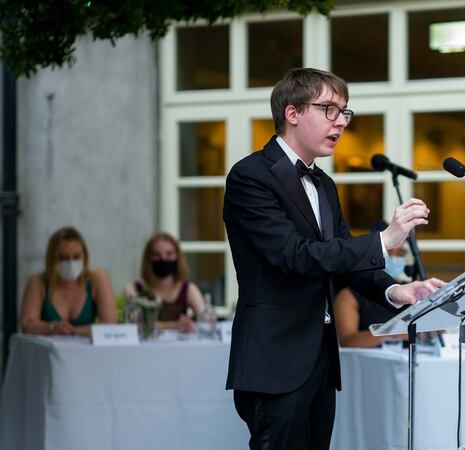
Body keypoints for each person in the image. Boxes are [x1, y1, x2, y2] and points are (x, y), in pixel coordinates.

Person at [223, 67, 444, 450]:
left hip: (320, 361)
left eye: (344, 112)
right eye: (329, 109)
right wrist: (384, 239)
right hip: (274, 360)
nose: (340, 122)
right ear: (292, 113)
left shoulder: (324, 183)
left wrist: (398, 291)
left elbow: (342, 257)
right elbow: (293, 256)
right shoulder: (250, 176)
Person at [20, 227, 116, 336]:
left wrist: (74, 331)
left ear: (85, 256)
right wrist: (51, 327)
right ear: (52, 259)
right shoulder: (38, 281)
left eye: (76, 257)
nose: (70, 263)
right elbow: (27, 324)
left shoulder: (97, 278)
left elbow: (109, 324)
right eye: (63, 258)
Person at [334, 225, 412, 348]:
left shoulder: (408, 292)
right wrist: (395, 335)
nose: (395, 259)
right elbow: (347, 340)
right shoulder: (349, 295)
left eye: (400, 254)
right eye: (390, 253)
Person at [125, 232, 206, 333]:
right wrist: (175, 325)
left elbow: (205, 319)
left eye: (169, 254)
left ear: (177, 256)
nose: (163, 259)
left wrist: (192, 324)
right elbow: (134, 325)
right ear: (148, 259)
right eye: (156, 255)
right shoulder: (134, 289)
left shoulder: (188, 289)